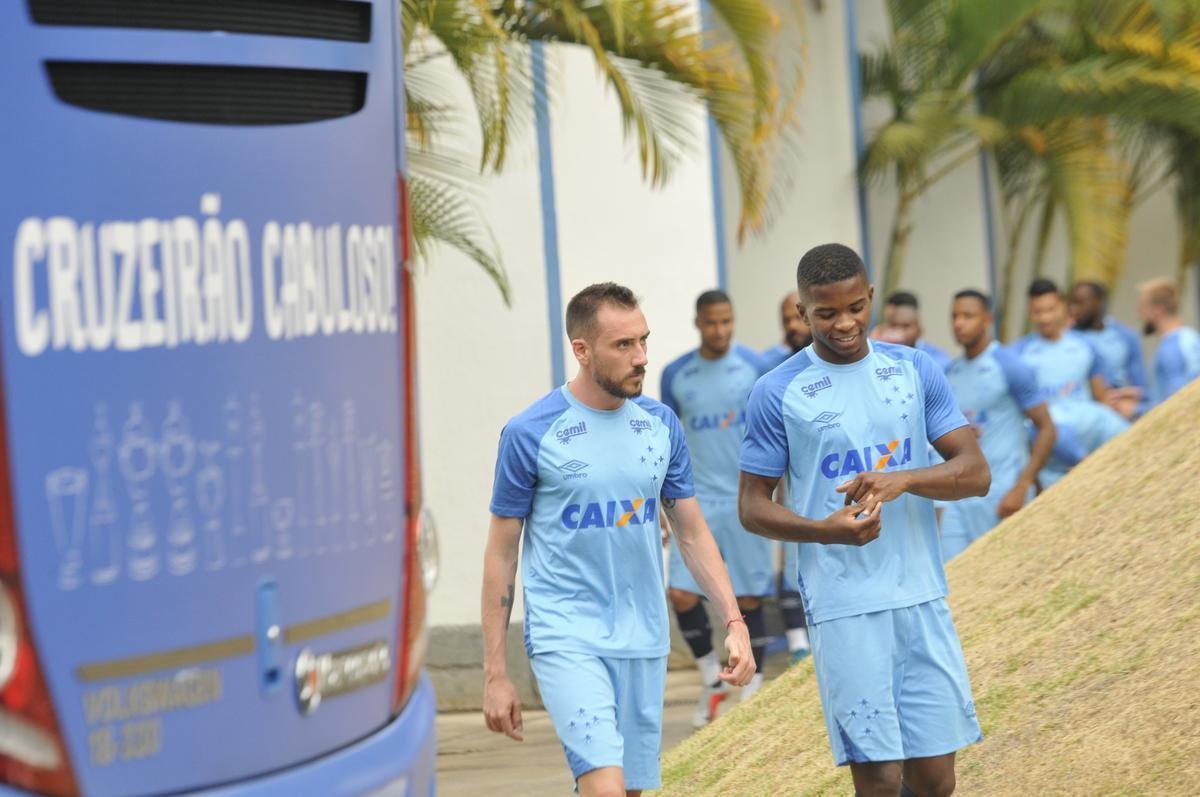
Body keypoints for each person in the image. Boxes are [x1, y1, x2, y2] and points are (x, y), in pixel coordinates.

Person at [482, 283, 754, 796]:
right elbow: (501, 553)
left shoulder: (660, 425)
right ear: (582, 350)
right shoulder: (529, 433)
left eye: (644, 341)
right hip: (568, 637)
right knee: (606, 786)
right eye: (624, 345)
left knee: (627, 791)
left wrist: (733, 621)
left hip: (644, 639)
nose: (642, 358)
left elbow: (692, 532)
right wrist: (495, 671)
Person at [738, 243, 990, 797]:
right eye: (825, 312)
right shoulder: (777, 391)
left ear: (870, 296)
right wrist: (825, 530)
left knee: (935, 779)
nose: (844, 322)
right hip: (844, 605)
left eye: (855, 306)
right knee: (877, 778)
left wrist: (903, 478)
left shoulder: (915, 368)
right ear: (802, 312)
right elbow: (752, 506)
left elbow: (974, 472)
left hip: (921, 594)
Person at [660, 291, 773, 726]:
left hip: (744, 497)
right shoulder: (676, 374)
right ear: (698, 323)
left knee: (747, 595)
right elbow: (666, 443)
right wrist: (662, 506)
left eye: (727, 322)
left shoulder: (754, 367)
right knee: (682, 593)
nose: (720, 331)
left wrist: (771, 489)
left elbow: (771, 429)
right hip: (696, 501)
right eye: (711, 323)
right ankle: (711, 682)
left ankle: (755, 689)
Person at [940, 290, 1056, 560]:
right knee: (953, 577)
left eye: (968, 316)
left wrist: (1022, 486)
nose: (958, 323)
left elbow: (1047, 428)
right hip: (958, 499)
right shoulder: (950, 372)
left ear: (987, 319)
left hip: (1001, 493)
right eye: (954, 316)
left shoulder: (1009, 365)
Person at [1013, 279, 1128, 486]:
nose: (1045, 317)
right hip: (1050, 458)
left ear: (1063, 307)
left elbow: (1101, 396)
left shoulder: (1085, 345)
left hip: (1088, 436)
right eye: (1038, 311)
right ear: (1030, 313)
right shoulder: (1019, 354)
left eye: (1050, 309)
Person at [760, 291, 814, 664]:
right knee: (794, 564)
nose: (792, 327)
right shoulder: (775, 377)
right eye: (787, 320)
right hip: (795, 489)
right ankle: (798, 648)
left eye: (798, 319)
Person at [1068, 280, 1147, 419]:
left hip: (1123, 409)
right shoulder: (1069, 339)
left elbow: (1142, 385)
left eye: (1080, 303)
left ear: (1099, 302)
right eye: (1071, 304)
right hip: (1087, 411)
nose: (1074, 309)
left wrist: (1130, 397)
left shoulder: (1126, 336)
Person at [1137, 277, 1200, 404]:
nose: (1139, 314)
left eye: (1143, 308)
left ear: (1158, 310)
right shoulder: (1190, 338)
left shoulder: (1171, 350)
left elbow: (1176, 401)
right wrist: (1142, 397)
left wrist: (1135, 409)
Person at [872, 291, 953, 371]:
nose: (898, 331)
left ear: (919, 330)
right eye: (893, 325)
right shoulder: (878, 351)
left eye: (905, 326)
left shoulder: (936, 356)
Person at [762, 290, 812, 370]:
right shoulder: (774, 366)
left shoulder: (832, 357)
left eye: (798, 317)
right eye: (786, 320)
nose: (792, 326)